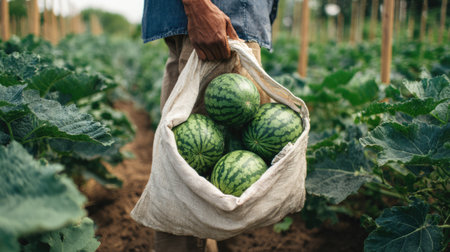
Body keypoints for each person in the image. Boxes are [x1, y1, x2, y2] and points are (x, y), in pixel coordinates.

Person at [141, 0, 279, 251]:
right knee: (189, 177)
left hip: (225, 22)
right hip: (219, 24)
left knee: (200, 184)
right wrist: (198, 6)